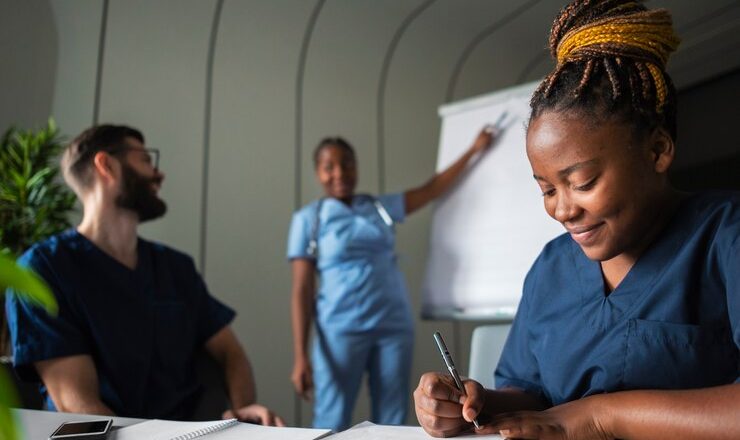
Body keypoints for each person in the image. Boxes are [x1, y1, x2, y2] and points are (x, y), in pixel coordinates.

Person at [414, 1, 740, 439]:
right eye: (547, 189)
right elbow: (534, 392)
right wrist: (477, 405)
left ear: (658, 150)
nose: (562, 209)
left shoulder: (725, 237)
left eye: (582, 182)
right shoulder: (552, 268)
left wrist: (599, 417)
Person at [5, 124, 284, 425]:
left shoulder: (176, 268)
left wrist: (243, 408)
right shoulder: (43, 271)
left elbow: (231, 352)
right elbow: (79, 408)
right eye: (147, 160)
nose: (159, 174)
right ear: (106, 165)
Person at [288, 129, 495, 430]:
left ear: (357, 167)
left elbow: (433, 188)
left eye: (347, 163)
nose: (340, 173)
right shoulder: (309, 219)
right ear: (317, 172)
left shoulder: (379, 207)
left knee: (392, 417)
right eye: (329, 166)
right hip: (340, 332)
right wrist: (300, 356)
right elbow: (302, 289)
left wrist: (474, 149)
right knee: (331, 418)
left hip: (392, 328)